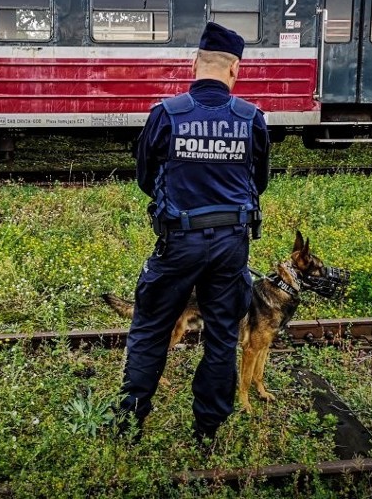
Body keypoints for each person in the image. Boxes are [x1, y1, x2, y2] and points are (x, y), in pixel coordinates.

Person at [116, 22, 271, 444]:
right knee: (221, 337)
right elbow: (259, 183)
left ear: (194, 64)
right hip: (230, 246)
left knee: (149, 329)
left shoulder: (165, 114)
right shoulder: (251, 119)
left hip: (177, 242)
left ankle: (129, 424)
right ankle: (208, 431)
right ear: (235, 70)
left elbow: (146, 178)